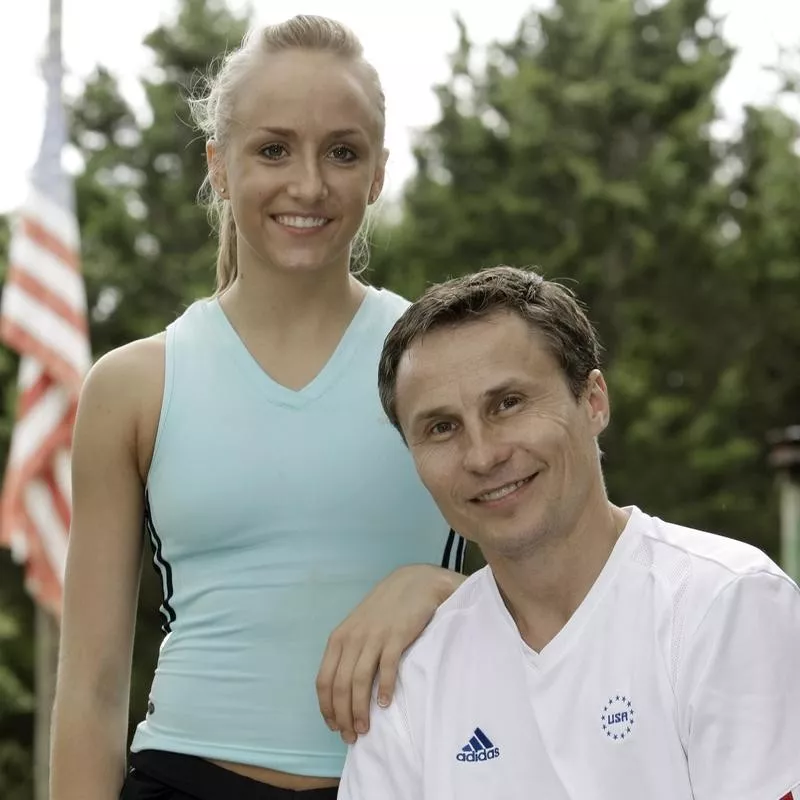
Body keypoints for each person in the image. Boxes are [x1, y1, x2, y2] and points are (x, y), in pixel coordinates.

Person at [50, 15, 465, 800]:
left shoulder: (440, 367)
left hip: (408, 778)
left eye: (342, 152)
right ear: (220, 166)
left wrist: (437, 588)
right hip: (183, 780)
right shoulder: (134, 386)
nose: (308, 184)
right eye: (273, 149)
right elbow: (94, 689)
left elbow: (566, 581)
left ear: (377, 172)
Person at [339, 265, 800, 800]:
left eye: (508, 404)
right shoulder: (410, 676)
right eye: (442, 428)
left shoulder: (725, 604)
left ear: (593, 400)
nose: (483, 455)